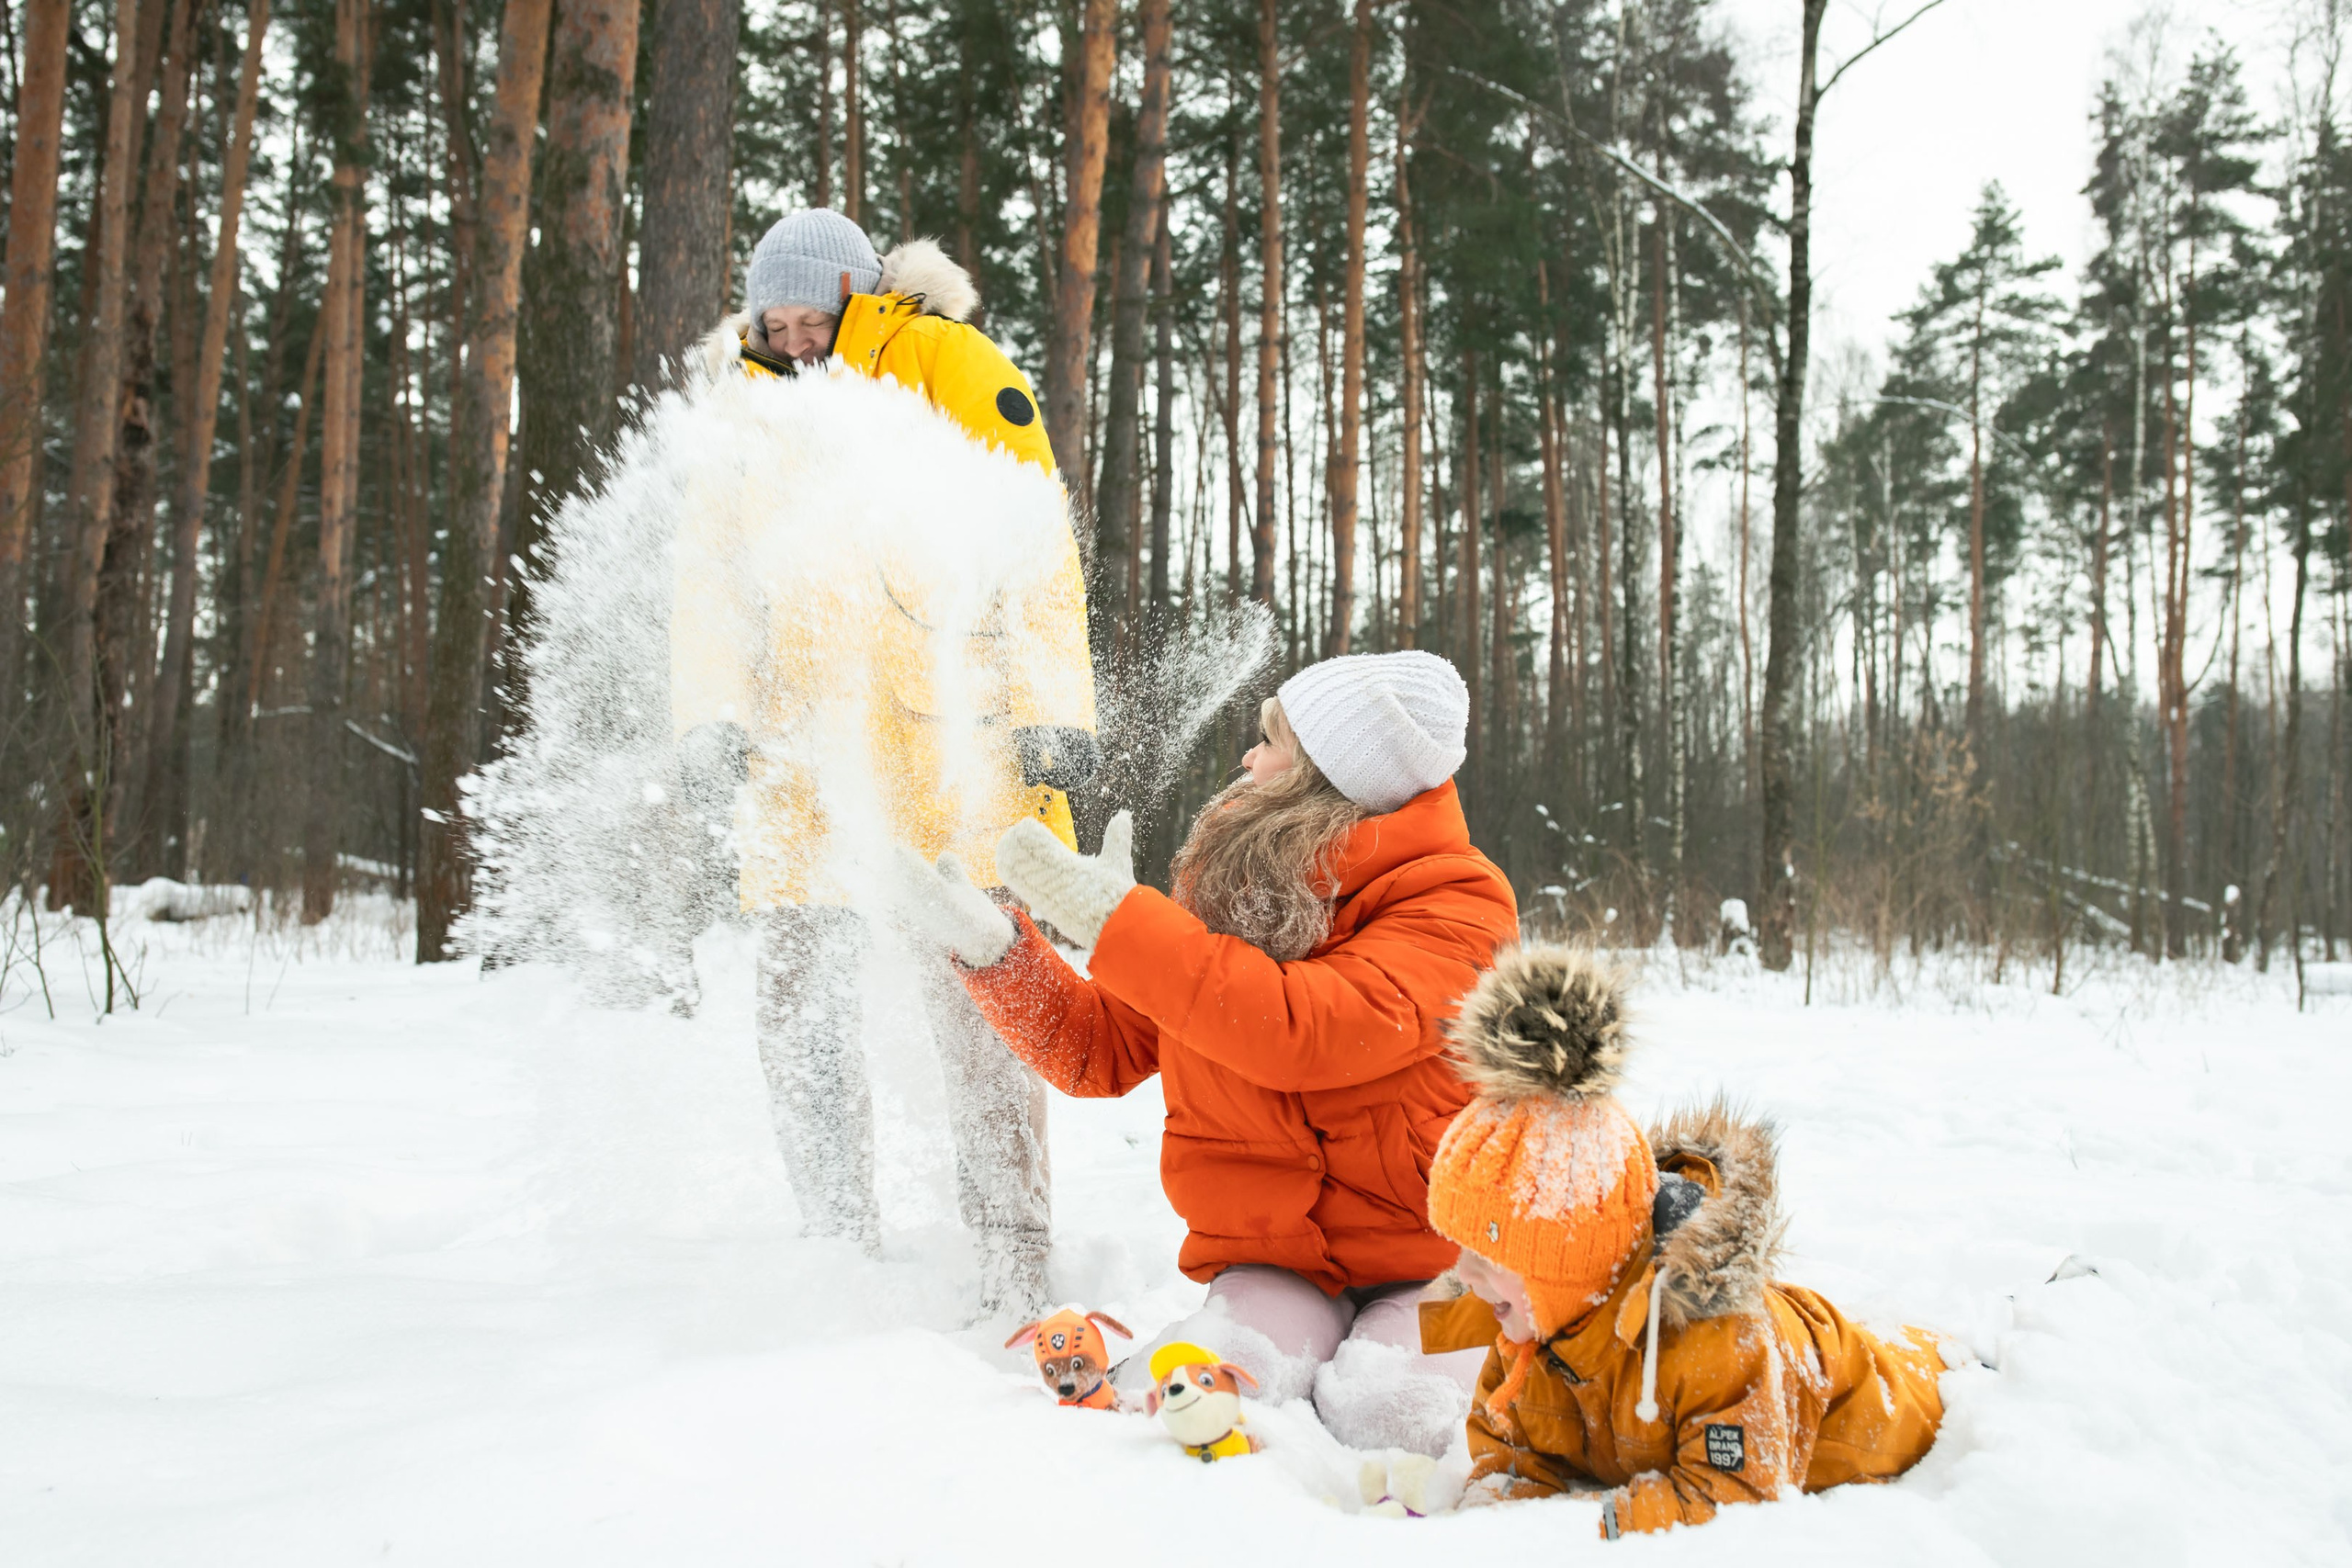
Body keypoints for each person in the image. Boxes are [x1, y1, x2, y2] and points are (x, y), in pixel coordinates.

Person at [890, 649, 1520, 1455]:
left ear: (1330, 775)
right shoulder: (1229, 887)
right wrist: (998, 956)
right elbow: (1102, 1049)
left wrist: (1127, 924)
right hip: (1275, 1260)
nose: (1248, 759)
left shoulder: (1457, 901)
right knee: (1196, 1393)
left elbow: (1307, 1030)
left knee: (1391, 1414)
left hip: (1433, 1263)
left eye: (1272, 741)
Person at [672, 208, 1096, 1320]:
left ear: (862, 298)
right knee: (798, 1007)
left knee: (984, 1009)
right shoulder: (741, 411)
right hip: (804, 756)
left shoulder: (951, 364)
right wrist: (711, 715)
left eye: (817, 319)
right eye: (779, 322)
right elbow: (710, 580)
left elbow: (1035, 537)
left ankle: (1013, 1253)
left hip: (955, 751)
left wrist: (1056, 705)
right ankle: (834, 1247)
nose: (798, 341)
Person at [1418, 945, 1950, 1537]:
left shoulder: (1714, 1344)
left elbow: (1738, 1496)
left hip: (1878, 1402)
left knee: (1932, 1367)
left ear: (1569, 1258)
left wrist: (1589, 1529)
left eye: (1488, 1256)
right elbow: (1508, 1458)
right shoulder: (1524, 1334)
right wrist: (1495, 1514)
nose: (1464, 1275)